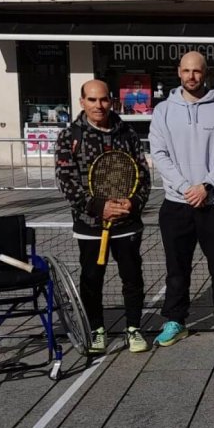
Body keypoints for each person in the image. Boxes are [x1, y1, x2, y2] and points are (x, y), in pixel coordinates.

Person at [149, 52, 214, 347]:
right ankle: (176, 320)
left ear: (205, 73)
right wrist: (186, 187)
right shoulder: (163, 111)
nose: (191, 76)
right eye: (186, 70)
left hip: (213, 203)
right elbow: (159, 154)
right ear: (178, 72)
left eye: (197, 71)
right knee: (177, 268)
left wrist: (206, 185)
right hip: (177, 204)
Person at [55, 80, 151, 353]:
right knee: (91, 279)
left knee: (132, 277)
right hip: (90, 225)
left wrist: (132, 203)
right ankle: (97, 328)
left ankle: (134, 327)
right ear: (82, 102)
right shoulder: (70, 137)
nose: (99, 106)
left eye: (104, 100)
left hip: (127, 222)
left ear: (111, 101)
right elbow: (66, 181)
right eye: (93, 100)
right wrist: (99, 207)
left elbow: (142, 176)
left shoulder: (128, 133)